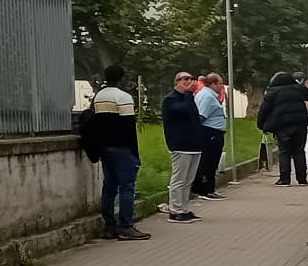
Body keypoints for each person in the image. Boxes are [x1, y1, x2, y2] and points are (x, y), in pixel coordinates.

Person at [81, 63, 150, 243]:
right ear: (122, 78)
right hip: (122, 148)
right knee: (127, 186)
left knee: (109, 185)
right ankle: (126, 226)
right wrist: (134, 152)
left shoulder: (98, 97)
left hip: (105, 147)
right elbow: (129, 127)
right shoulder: (123, 97)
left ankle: (109, 226)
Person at [160, 72, 207, 223]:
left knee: (188, 180)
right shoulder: (170, 99)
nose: (189, 81)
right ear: (177, 82)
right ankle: (175, 210)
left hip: (194, 144)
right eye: (185, 79)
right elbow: (182, 111)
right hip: (180, 144)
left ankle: (184, 208)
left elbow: (194, 116)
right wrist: (188, 93)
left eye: (191, 79)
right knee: (179, 179)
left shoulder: (189, 98)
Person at [257, 70, 308, 186]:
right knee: (299, 151)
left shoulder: (272, 91)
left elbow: (264, 109)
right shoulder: (298, 88)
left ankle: (284, 179)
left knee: (284, 151)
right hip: (300, 123)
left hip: (282, 125)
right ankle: (302, 179)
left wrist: (261, 124)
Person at [194, 71, 228, 198]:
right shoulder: (207, 97)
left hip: (213, 132)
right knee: (210, 161)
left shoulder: (209, 95)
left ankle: (206, 188)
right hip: (210, 133)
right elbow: (201, 116)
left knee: (210, 161)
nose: (222, 87)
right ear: (213, 84)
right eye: (220, 84)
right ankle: (206, 190)